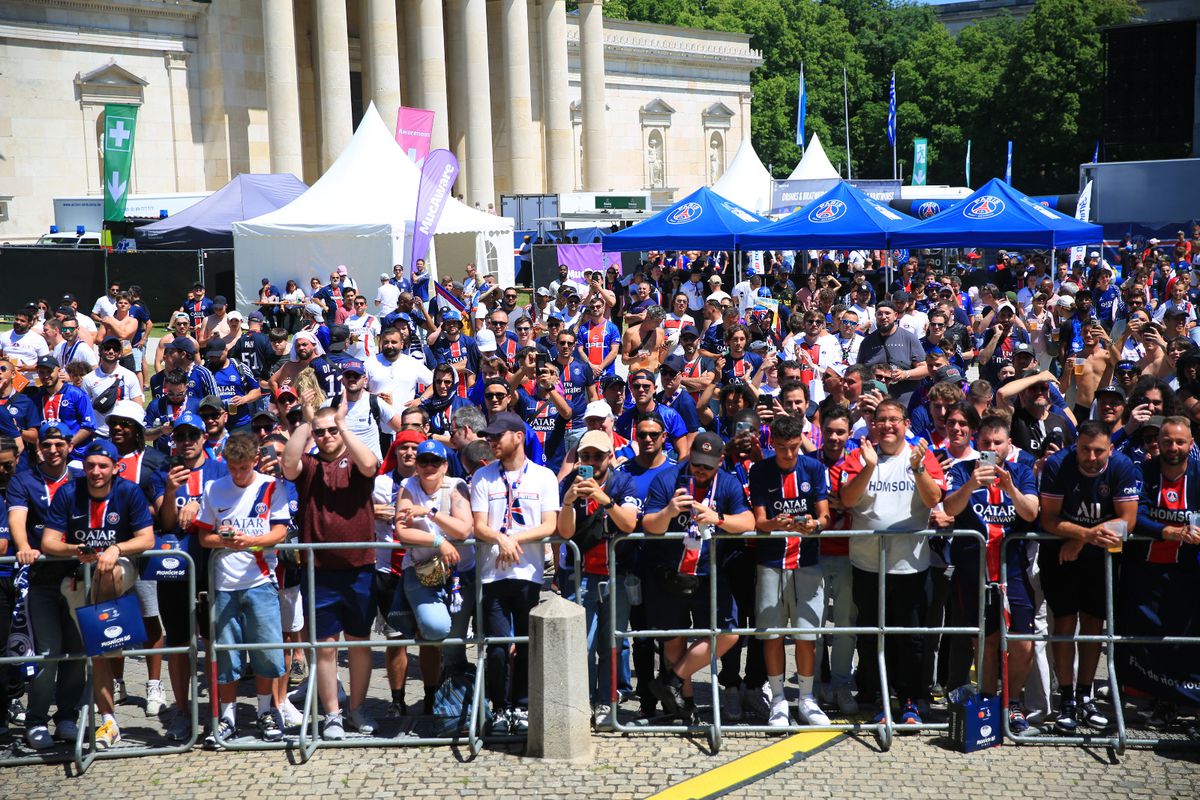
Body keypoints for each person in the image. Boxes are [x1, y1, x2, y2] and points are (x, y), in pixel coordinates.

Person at [832, 398, 945, 725]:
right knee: (871, 635)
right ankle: (879, 697)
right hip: (868, 565)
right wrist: (869, 467)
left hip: (910, 567)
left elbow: (934, 498)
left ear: (906, 424)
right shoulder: (859, 456)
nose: (887, 425)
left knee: (910, 637)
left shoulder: (920, 456)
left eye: (894, 420)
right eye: (881, 420)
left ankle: (909, 700)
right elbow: (849, 500)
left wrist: (918, 468)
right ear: (873, 424)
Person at [40, 439, 155, 749]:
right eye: (90, 465)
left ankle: (111, 635)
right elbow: (48, 542)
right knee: (99, 651)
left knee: (108, 574)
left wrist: (115, 548)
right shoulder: (69, 492)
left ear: (115, 467)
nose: (95, 471)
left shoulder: (128, 491)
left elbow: (147, 538)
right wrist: (74, 549)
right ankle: (109, 721)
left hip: (119, 568)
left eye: (103, 466)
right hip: (78, 575)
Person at [282, 402, 379, 740]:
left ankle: (356, 708)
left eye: (331, 430)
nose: (326, 436)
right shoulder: (309, 464)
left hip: (360, 567)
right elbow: (288, 465)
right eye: (320, 432)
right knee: (324, 648)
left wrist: (343, 424)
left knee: (359, 644)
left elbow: (369, 464)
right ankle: (332, 715)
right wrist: (307, 424)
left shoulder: (355, 458)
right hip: (319, 570)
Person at [642, 432, 755, 719]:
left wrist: (718, 518)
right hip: (671, 572)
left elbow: (749, 520)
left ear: (720, 460)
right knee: (674, 639)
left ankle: (671, 681)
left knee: (729, 634)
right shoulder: (668, 480)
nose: (701, 470)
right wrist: (668, 512)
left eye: (707, 465)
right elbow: (648, 525)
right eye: (696, 463)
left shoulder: (727, 483)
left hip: (710, 573)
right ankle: (686, 704)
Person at [1038, 420, 1139, 733]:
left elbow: (1128, 522)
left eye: (1098, 451)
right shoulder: (1058, 464)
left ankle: (1086, 696)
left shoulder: (1122, 467)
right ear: (1075, 446)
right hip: (1060, 553)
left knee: (1094, 622)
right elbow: (1048, 518)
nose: (1092, 457)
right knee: (1065, 622)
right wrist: (1084, 534)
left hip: (1099, 554)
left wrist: (1081, 538)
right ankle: (1066, 697)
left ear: (1110, 448)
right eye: (1085, 449)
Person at [942, 417, 1040, 732]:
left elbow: (1031, 512)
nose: (991, 449)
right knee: (984, 641)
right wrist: (971, 484)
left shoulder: (1022, 472)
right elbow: (950, 509)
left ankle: (1011, 704)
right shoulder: (961, 470)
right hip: (975, 573)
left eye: (997, 443)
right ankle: (987, 698)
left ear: (1008, 444)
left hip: (1013, 573)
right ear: (977, 443)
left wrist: (1009, 487)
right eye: (986, 443)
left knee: (1022, 643)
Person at [195, 432, 291, 743]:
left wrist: (249, 542)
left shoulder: (270, 486)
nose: (238, 474)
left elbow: (279, 532)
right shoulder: (213, 489)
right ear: (225, 462)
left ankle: (266, 712)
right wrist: (224, 540)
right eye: (233, 468)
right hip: (224, 585)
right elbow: (203, 537)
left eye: (244, 468)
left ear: (253, 461)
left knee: (265, 652)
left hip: (261, 581)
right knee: (227, 655)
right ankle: (227, 718)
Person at [469, 412, 560, 734]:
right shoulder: (482, 478)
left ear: (518, 437)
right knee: (495, 645)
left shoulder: (544, 477)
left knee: (527, 643)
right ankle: (499, 706)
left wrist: (513, 539)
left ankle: (521, 705)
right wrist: (500, 539)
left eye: (497, 436)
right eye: (488, 437)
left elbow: (549, 525)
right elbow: (479, 525)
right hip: (493, 574)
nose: (491, 442)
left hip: (529, 572)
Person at [748, 414, 832, 727]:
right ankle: (779, 700)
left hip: (807, 560)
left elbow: (825, 516)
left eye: (794, 448)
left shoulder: (813, 467)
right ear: (772, 444)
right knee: (772, 633)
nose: (789, 454)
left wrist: (815, 524)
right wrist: (774, 523)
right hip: (772, 560)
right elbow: (760, 521)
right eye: (783, 448)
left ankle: (807, 699)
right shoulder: (761, 470)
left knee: (807, 633)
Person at [557, 429, 640, 727]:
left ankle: (606, 701)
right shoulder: (571, 482)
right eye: (585, 456)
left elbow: (629, 523)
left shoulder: (623, 481)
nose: (590, 461)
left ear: (609, 457)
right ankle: (583, 702)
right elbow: (565, 533)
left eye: (597, 456)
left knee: (611, 642)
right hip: (582, 575)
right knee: (583, 643)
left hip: (617, 574)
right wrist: (568, 502)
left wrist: (605, 500)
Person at [8, 424, 80, 749]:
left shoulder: (80, 477)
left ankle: (67, 716)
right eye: (47, 444)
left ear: (68, 446)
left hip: (79, 579)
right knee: (48, 653)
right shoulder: (24, 479)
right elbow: (17, 518)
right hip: (42, 581)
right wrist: (23, 546)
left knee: (77, 652)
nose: (52, 450)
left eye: (58, 444)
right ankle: (36, 719)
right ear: (39, 449)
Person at [392, 439, 475, 705]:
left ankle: (452, 701)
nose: (428, 466)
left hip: (458, 575)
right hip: (422, 570)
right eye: (423, 461)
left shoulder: (456, 486)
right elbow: (403, 532)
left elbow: (463, 530)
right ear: (416, 465)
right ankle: (439, 694)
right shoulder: (408, 486)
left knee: (454, 645)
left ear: (444, 465)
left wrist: (430, 512)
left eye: (434, 461)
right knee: (436, 629)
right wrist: (439, 541)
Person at [81, 336, 144, 439]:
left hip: (124, 434)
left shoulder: (129, 376)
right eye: (107, 348)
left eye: (115, 349)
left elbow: (138, 406)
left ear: (120, 353)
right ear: (100, 351)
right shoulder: (89, 379)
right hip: (99, 433)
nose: (111, 351)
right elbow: (83, 408)